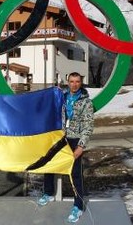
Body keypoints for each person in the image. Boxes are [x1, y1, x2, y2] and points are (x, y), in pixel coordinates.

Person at [37, 72, 94, 223]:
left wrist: (81, 146)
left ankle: (78, 205)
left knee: (75, 173)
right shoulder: (61, 97)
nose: (74, 84)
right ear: (67, 82)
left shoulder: (86, 102)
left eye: (77, 82)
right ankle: (48, 192)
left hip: (75, 140)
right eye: (71, 81)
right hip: (59, 138)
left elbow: (88, 126)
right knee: (49, 164)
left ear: (81, 83)